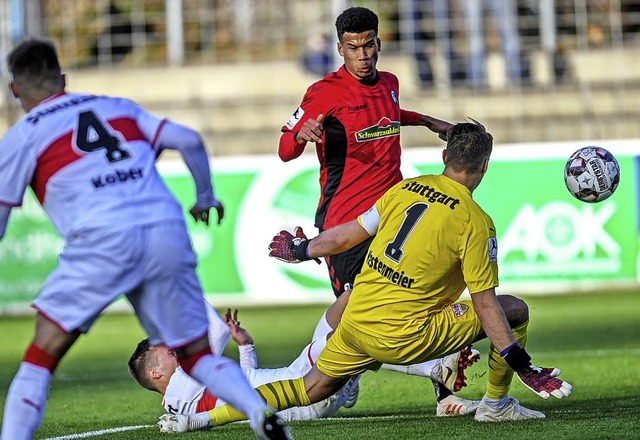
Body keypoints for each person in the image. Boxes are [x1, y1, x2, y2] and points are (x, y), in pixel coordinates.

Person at [196, 120, 572, 431]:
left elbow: (345, 234)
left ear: (445, 157)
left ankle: (203, 420)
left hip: (355, 324)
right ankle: (496, 403)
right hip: (404, 338)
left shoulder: (404, 190)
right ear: (485, 166)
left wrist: (301, 249)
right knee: (515, 310)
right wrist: (521, 363)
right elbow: (486, 303)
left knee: (309, 387)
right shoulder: (476, 222)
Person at [0, 38, 287, 440]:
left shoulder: (19, 137)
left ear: (14, 90)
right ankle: (261, 414)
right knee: (197, 355)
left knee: (38, 360)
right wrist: (205, 197)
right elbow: (188, 139)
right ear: (63, 78)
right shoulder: (116, 107)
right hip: (164, 226)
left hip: (100, 239)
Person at [278, 5, 456, 410]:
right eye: (353, 48)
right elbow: (285, 149)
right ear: (340, 48)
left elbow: (388, 115)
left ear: (379, 43)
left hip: (393, 217)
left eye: (369, 46)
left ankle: (445, 391)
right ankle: (336, 377)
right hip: (344, 223)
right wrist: (301, 135)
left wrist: (428, 121)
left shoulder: (390, 82)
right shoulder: (323, 92)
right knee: (361, 315)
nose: (363, 55)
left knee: (423, 294)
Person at [154, 292, 481, 434]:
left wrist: (247, 346)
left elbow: (247, 379)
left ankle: (428, 366)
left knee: (349, 315)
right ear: (155, 373)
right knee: (353, 317)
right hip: (302, 385)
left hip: (300, 390)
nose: (174, 351)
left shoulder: (184, 396)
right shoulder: (182, 381)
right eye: (166, 353)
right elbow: (213, 329)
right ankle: (434, 367)